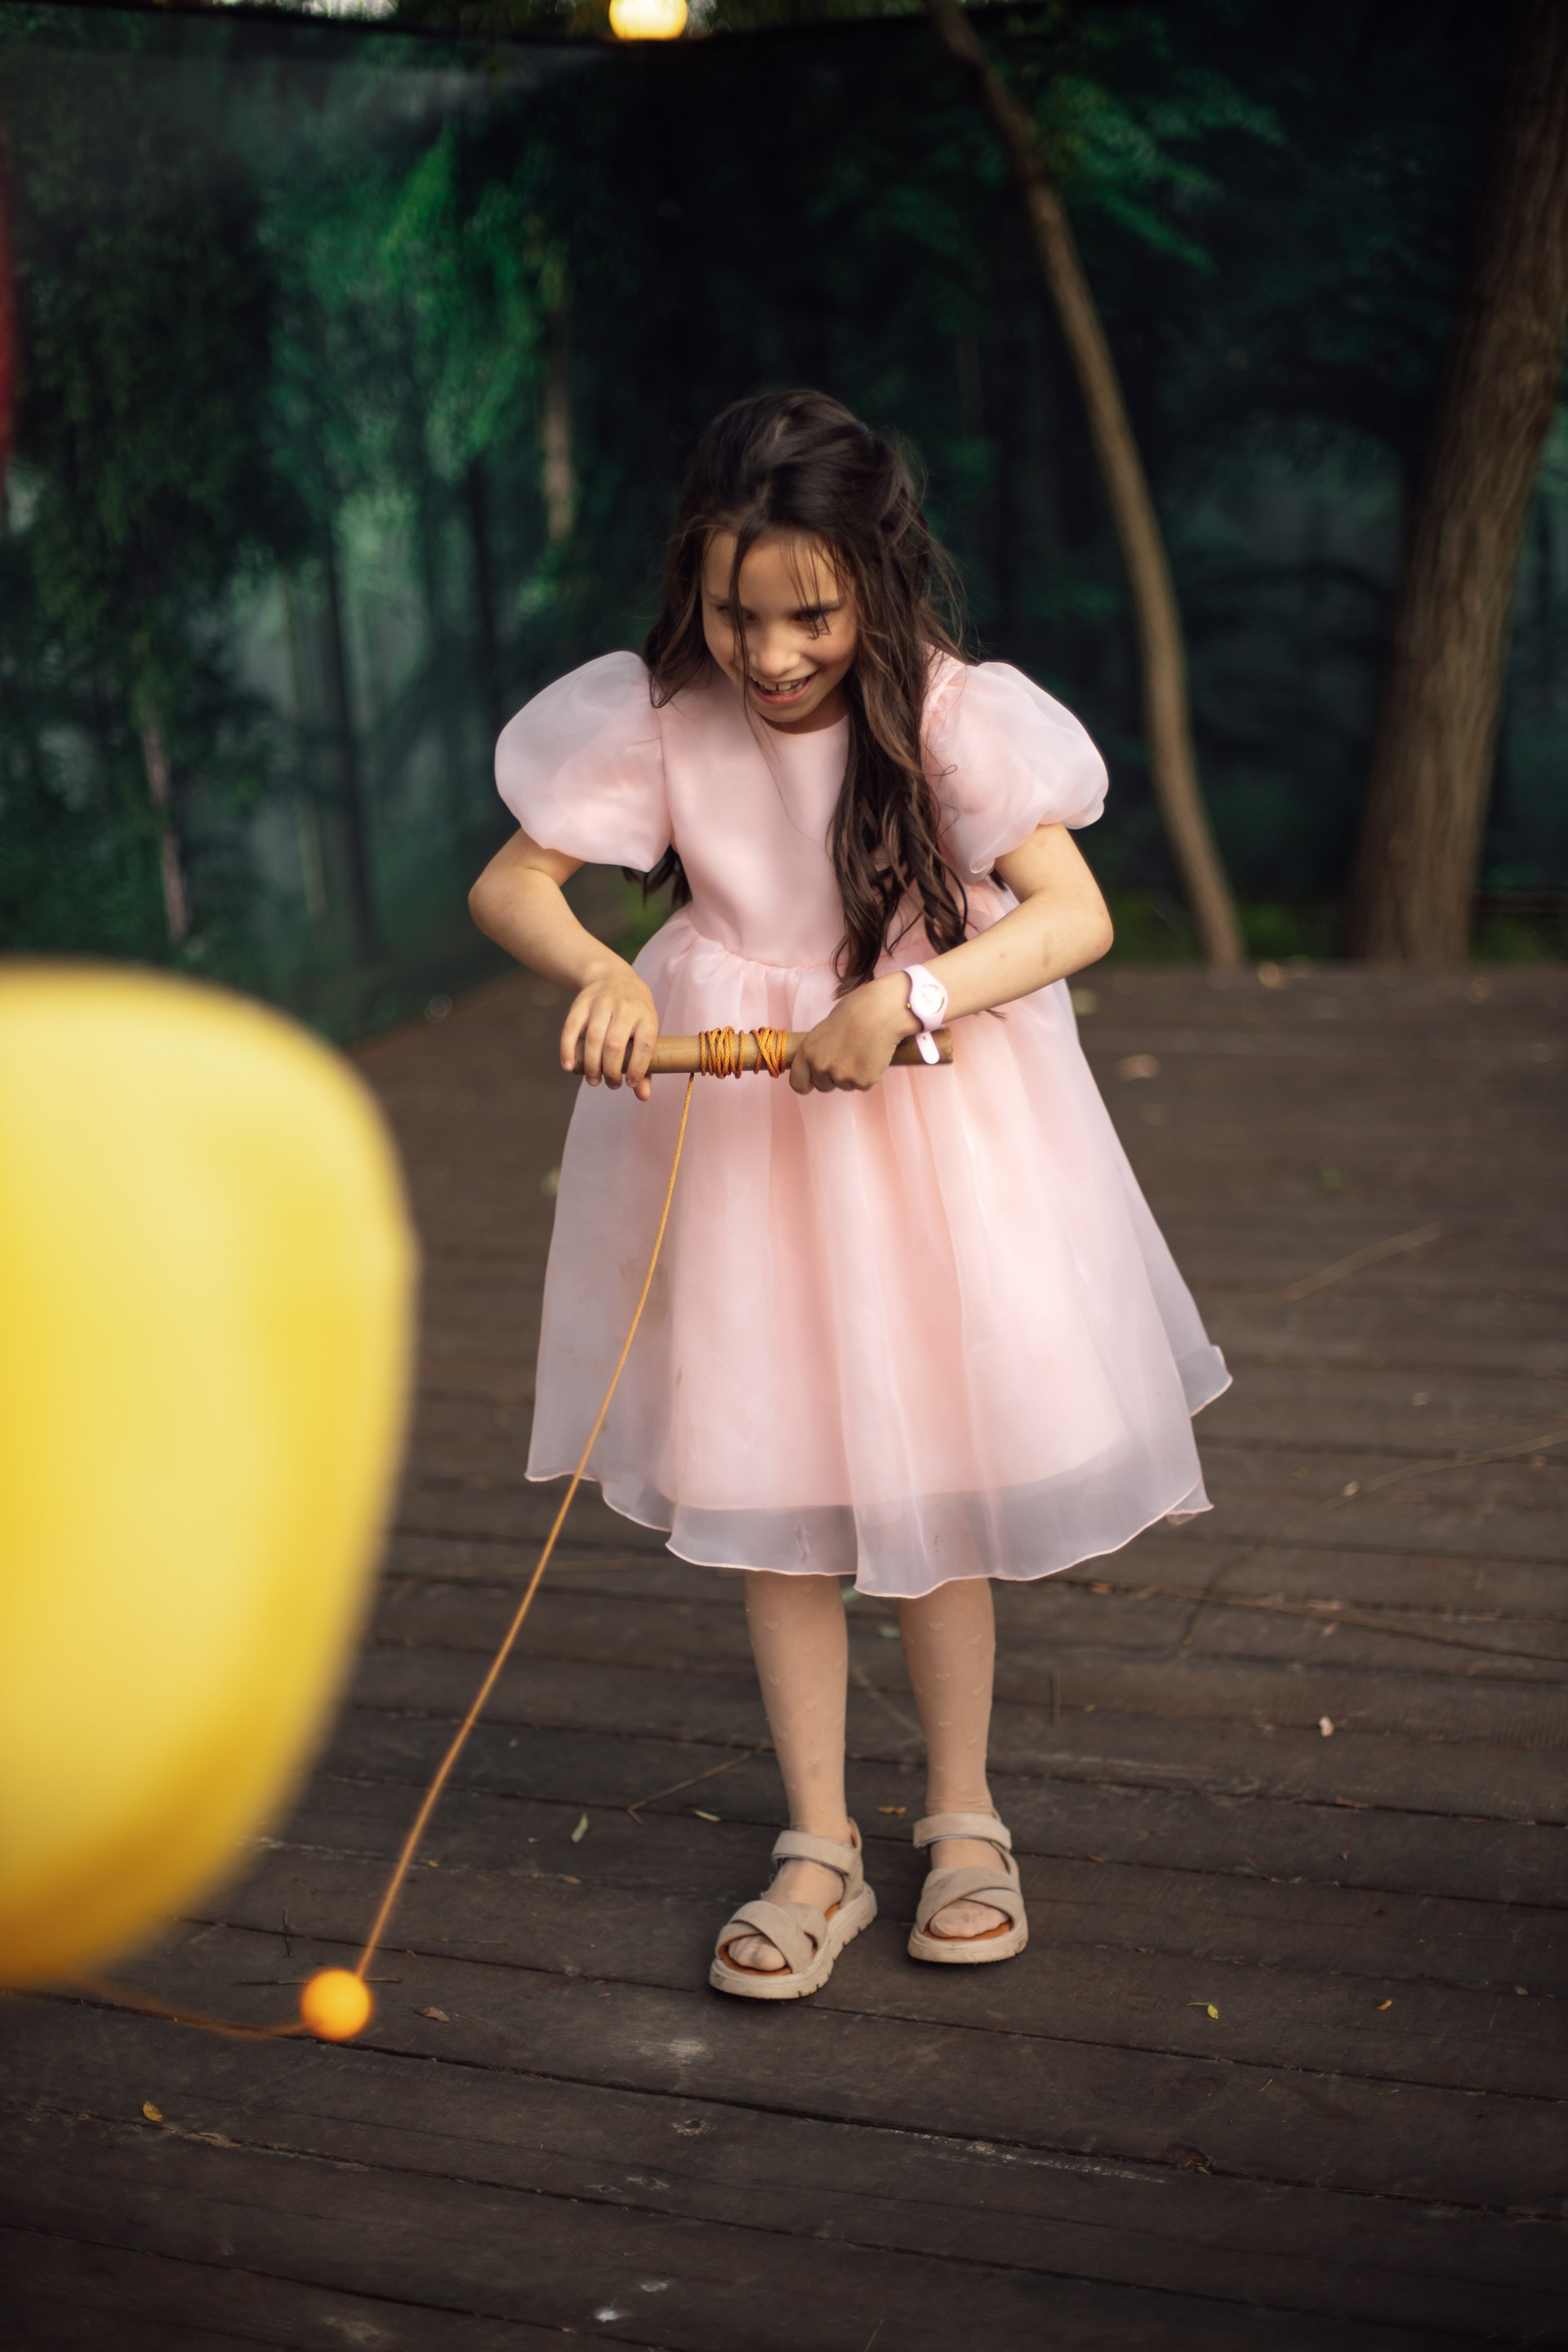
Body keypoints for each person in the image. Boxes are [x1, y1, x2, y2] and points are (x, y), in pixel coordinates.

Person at [470, 389, 1227, 2000]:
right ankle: (817, 1846)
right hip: (744, 1151)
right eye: (735, 614)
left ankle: (963, 1819)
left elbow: (1073, 916)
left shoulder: (948, 717)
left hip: (926, 1130)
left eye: (809, 616)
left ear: (875, 580)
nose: (771, 655)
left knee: (931, 1463)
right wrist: (604, 968)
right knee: (774, 1472)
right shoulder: (667, 718)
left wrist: (913, 995)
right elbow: (511, 883)